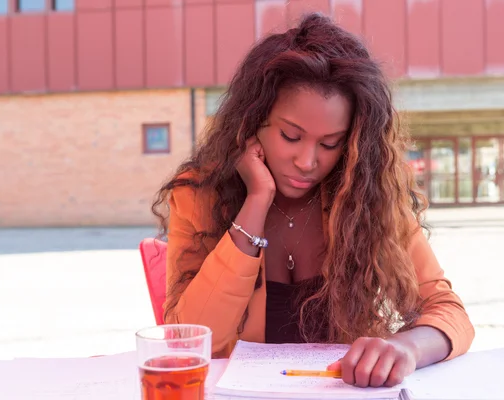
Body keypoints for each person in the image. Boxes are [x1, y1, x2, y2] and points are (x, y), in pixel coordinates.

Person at [152, 13, 474, 389]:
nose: (307, 162)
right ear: (251, 123)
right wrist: (256, 201)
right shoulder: (198, 195)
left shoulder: (367, 198)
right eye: (291, 136)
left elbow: (449, 312)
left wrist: (408, 348)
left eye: (329, 143)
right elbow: (187, 341)